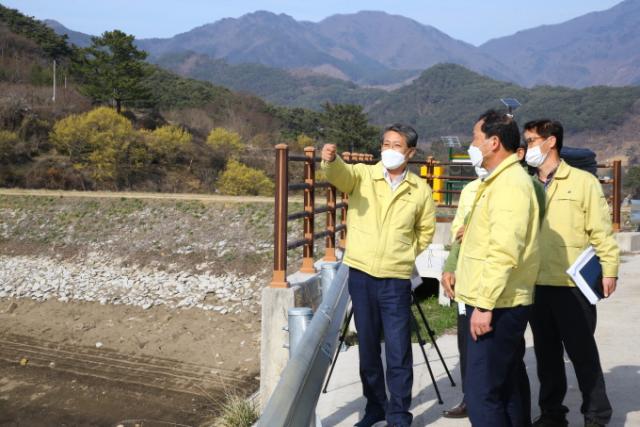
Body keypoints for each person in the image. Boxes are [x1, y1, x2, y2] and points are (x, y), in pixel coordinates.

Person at [321, 124, 436, 427]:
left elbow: (425, 231)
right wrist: (331, 160)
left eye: (396, 145)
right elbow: (340, 175)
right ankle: (375, 408)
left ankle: (399, 415)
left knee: (398, 350)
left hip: (396, 279)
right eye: (385, 144)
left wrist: (404, 253)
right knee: (368, 349)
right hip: (361, 275)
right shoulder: (363, 175)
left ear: (410, 152)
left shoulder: (420, 190)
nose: (389, 150)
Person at [440, 139, 545, 421]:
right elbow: (463, 236)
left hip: (498, 297)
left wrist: (484, 305)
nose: (472, 145)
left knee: (485, 392)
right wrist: (452, 265)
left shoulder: (512, 185)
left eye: (476, 138)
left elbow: (505, 249)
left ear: (494, 142)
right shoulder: (485, 185)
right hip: (480, 290)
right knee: (499, 384)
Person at [524, 119, 620, 427]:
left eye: (531, 140)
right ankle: (552, 414)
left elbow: (601, 230)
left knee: (582, 353)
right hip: (536, 282)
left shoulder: (582, 182)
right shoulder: (525, 184)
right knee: (547, 355)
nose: (527, 147)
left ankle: (596, 415)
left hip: (572, 284)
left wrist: (610, 270)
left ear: (551, 141)